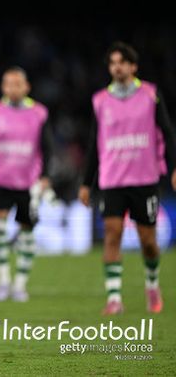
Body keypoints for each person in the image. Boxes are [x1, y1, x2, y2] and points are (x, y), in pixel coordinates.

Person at [79, 41, 176, 315]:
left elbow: (167, 132)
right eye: (113, 63)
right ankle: (114, 298)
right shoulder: (100, 100)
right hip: (112, 180)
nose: (117, 67)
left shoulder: (150, 95)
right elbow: (94, 144)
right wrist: (86, 183)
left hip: (144, 178)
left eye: (122, 62)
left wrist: (174, 167)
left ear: (133, 66)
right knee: (112, 234)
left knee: (148, 242)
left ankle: (152, 284)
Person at [0, 67, 53, 303]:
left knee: (27, 232)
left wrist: (46, 175)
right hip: (1, 179)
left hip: (28, 182)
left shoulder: (39, 113)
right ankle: (3, 281)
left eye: (17, 84)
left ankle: (20, 284)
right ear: (3, 87)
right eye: (9, 84)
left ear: (27, 87)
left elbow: (47, 147)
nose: (13, 89)